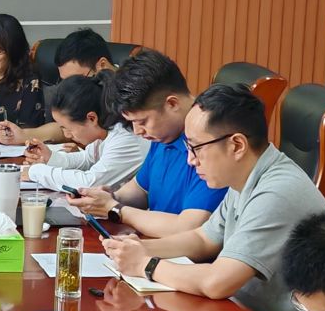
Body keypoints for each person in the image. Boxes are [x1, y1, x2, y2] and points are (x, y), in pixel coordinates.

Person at [103, 82, 325, 311]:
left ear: (237, 145)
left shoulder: (276, 192)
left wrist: (144, 265)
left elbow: (217, 282)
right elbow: (204, 239)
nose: (191, 160)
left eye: (196, 148)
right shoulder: (246, 174)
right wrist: (138, 248)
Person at [61, 49, 224, 235]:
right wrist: (109, 198)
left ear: (172, 104)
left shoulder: (211, 142)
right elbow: (141, 189)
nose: (138, 131)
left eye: (142, 121)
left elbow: (189, 228)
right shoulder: (165, 133)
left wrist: (116, 210)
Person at [16, 73, 149, 195]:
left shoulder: (125, 139)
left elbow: (89, 184)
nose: (67, 135)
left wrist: (37, 172)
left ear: (91, 118)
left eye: (68, 128)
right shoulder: (104, 132)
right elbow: (86, 159)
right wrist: (50, 157)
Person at [0, 27, 118, 145]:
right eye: (64, 81)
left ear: (102, 65)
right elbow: (63, 126)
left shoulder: (126, 99)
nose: (70, 88)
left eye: (76, 79)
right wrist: (23, 135)